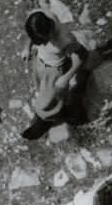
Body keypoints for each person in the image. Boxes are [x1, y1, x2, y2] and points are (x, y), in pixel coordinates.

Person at [20, 9, 88, 140]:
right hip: (40, 61)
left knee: (48, 99)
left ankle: (45, 119)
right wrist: (26, 47)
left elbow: (81, 56)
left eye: (45, 40)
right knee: (41, 87)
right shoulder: (37, 16)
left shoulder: (65, 39)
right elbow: (32, 36)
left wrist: (66, 78)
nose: (44, 44)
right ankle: (50, 103)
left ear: (51, 31)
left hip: (55, 70)